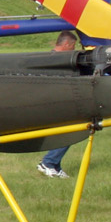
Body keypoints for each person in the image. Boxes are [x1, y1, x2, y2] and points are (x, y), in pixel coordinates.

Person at [37, 31, 81, 178]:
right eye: (73, 46)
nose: (74, 49)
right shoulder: (56, 60)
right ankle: (48, 162)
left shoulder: (51, 58)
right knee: (69, 131)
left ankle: (55, 165)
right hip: (55, 103)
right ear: (66, 44)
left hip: (57, 101)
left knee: (64, 133)